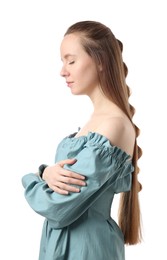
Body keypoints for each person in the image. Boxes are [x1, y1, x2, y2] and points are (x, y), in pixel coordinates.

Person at [22, 20, 142, 260]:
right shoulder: (96, 123)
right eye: (63, 61)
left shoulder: (113, 125)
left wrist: (31, 179)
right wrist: (46, 173)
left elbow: (58, 207)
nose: (63, 71)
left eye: (71, 60)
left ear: (100, 61)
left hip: (86, 250)